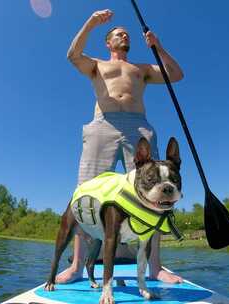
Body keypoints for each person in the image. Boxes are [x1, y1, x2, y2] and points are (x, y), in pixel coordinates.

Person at [56, 9, 184, 284]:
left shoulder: (141, 69)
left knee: (154, 190)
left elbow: (176, 74)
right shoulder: (97, 65)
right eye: (118, 33)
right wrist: (91, 21)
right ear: (108, 42)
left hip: (138, 126)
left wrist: (157, 46)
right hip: (103, 123)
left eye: (126, 33)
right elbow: (72, 56)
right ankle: (77, 265)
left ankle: (156, 267)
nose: (123, 35)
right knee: (84, 192)